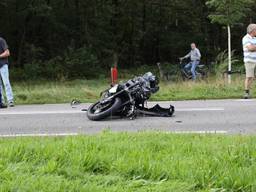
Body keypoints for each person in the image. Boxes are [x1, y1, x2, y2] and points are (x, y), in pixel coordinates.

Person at [242, 24, 256, 99]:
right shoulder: (246, 38)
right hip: (249, 60)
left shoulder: (254, 39)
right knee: (249, 76)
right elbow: (250, 48)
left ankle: (248, 92)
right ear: (252, 30)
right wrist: (253, 47)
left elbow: (253, 48)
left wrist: (254, 47)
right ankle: (246, 93)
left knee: (252, 77)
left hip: (254, 59)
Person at [0, 37, 14, 107]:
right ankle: (1, 101)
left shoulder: (1, 40)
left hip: (3, 64)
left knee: (6, 82)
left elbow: (7, 52)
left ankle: (10, 100)